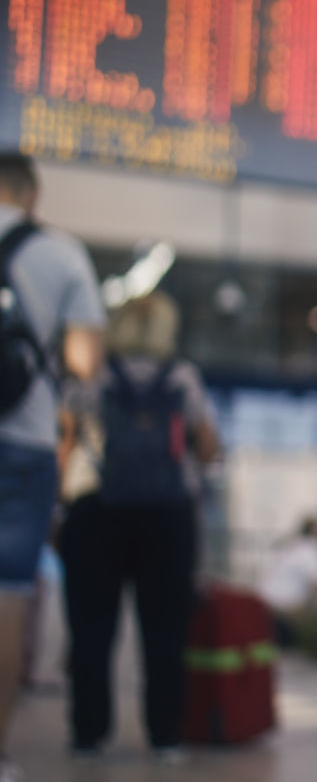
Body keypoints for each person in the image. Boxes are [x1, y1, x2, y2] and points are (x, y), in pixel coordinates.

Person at [58, 292, 220, 762]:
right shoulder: (184, 379)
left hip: (96, 512)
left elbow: (66, 443)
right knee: (165, 631)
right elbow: (207, 448)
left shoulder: (95, 376)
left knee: (90, 630)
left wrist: (57, 507)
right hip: (168, 517)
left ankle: (88, 734)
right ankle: (165, 735)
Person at [0, 153, 104, 782]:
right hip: (25, 445)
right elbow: (85, 366)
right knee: (9, 599)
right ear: (32, 193)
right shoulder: (62, 254)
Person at [259, 516, 317, 643]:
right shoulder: (311, 548)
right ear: (316, 530)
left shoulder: (292, 544)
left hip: (265, 603)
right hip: (286, 608)